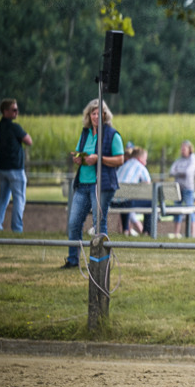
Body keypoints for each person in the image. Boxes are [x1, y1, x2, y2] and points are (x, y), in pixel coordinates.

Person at [62, 99, 125, 269]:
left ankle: (99, 262)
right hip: (82, 184)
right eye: (93, 113)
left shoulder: (113, 135)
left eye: (99, 113)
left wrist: (99, 159)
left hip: (101, 185)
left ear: (105, 115)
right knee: (74, 223)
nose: (96, 116)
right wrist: (78, 158)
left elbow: (120, 159)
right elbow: (80, 152)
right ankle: (72, 260)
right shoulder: (85, 134)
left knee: (99, 223)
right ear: (89, 116)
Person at [0, 99, 33, 233]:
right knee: (19, 199)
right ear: (5, 111)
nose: (17, 112)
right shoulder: (14, 127)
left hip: (2, 168)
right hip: (15, 169)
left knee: (3, 199)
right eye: (14, 110)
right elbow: (29, 141)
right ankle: (17, 229)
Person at [113, 147, 152, 236]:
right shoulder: (140, 167)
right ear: (139, 158)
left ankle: (125, 230)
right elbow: (148, 185)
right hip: (126, 201)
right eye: (145, 159)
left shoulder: (123, 166)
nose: (145, 162)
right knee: (150, 203)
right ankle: (146, 231)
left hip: (113, 201)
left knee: (125, 199)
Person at [170, 140, 195, 238]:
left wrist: (178, 172)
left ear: (189, 149)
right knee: (177, 210)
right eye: (181, 148)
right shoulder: (179, 160)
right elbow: (171, 171)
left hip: (187, 188)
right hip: (178, 188)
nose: (182, 150)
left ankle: (193, 234)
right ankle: (176, 233)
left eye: (184, 148)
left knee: (190, 209)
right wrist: (180, 172)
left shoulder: (192, 160)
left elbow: (188, 172)